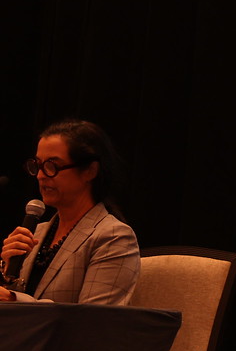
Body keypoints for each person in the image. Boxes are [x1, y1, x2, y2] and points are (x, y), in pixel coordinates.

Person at [0, 119, 139, 306]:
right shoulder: (37, 233)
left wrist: (13, 299)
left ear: (90, 171)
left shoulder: (113, 237)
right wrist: (7, 275)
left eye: (52, 166)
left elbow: (92, 321)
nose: (41, 175)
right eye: (38, 165)